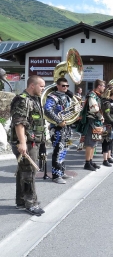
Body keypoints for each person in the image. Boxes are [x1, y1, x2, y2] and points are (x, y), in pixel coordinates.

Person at [10, 75, 46, 215]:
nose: (43, 88)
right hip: (26, 143)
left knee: (23, 171)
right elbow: (19, 122)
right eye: (41, 86)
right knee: (29, 172)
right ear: (32, 85)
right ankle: (31, 203)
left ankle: (21, 200)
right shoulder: (22, 100)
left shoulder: (34, 100)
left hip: (32, 141)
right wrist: (22, 142)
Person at [44, 77, 74, 184]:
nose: (65, 87)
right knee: (57, 151)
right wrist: (58, 121)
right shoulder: (53, 97)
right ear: (58, 86)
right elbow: (47, 109)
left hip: (67, 127)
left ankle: (61, 171)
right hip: (57, 128)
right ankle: (56, 175)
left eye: (67, 86)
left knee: (64, 150)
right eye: (63, 85)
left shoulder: (67, 97)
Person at [81, 79, 105, 171]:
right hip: (91, 121)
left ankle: (90, 161)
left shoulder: (96, 96)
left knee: (94, 142)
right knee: (90, 143)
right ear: (99, 86)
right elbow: (94, 109)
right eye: (103, 86)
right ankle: (87, 163)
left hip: (95, 121)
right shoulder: (92, 95)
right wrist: (100, 116)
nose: (104, 88)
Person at [101, 88, 113, 167]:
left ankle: (109, 157)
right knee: (106, 141)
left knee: (110, 141)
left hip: (112, 125)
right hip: (107, 124)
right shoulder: (107, 103)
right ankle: (105, 160)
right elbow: (107, 114)